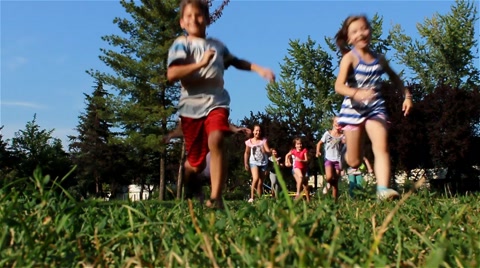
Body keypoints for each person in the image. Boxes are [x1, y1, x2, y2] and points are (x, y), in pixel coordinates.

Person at [167, 0, 275, 208]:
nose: (194, 19)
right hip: (191, 109)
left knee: (216, 138)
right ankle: (191, 179)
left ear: (207, 19)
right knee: (195, 164)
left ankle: (216, 198)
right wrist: (200, 64)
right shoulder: (182, 44)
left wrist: (259, 69)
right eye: (188, 16)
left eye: (199, 15)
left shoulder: (216, 46)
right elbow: (172, 74)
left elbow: (235, 61)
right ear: (182, 22)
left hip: (217, 103)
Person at [334, 15, 413, 200]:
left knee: (381, 145)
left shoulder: (380, 59)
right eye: (355, 31)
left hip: (375, 108)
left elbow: (396, 79)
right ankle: (348, 152)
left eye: (364, 28)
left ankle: (383, 189)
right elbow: (338, 86)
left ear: (370, 30)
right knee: (354, 161)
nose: (361, 33)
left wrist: (407, 96)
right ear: (349, 39)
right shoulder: (349, 59)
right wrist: (356, 93)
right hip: (353, 111)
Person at [164, 122, 252, 200]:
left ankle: (215, 198)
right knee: (191, 168)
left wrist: (235, 129)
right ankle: (197, 194)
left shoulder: (211, 111)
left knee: (216, 165)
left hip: (210, 150)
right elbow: (183, 126)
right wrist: (171, 135)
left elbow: (221, 122)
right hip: (197, 151)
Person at [316, 116, 344, 201]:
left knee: (335, 182)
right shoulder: (327, 134)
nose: (337, 123)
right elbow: (319, 143)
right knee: (329, 177)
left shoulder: (342, 136)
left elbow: (346, 145)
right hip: (328, 158)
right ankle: (328, 184)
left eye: (340, 122)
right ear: (333, 123)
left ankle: (335, 202)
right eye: (336, 121)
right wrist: (318, 151)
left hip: (338, 159)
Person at [244, 125, 271, 203]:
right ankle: (252, 197)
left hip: (263, 163)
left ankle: (259, 198)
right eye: (256, 130)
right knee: (255, 178)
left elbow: (268, 151)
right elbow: (246, 153)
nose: (258, 132)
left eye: (259, 131)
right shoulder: (249, 142)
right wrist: (245, 163)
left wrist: (265, 151)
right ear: (253, 131)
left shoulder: (263, 141)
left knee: (260, 182)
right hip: (253, 162)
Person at [285, 138, 311, 202]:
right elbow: (287, 155)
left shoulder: (304, 150)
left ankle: (308, 200)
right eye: (298, 144)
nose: (299, 145)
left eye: (300, 144)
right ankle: (298, 194)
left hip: (304, 168)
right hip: (296, 168)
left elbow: (306, 160)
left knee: (305, 185)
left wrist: (301, 160)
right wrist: (287, 162)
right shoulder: (293, 151)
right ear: (295, 145)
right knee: (300, 177)